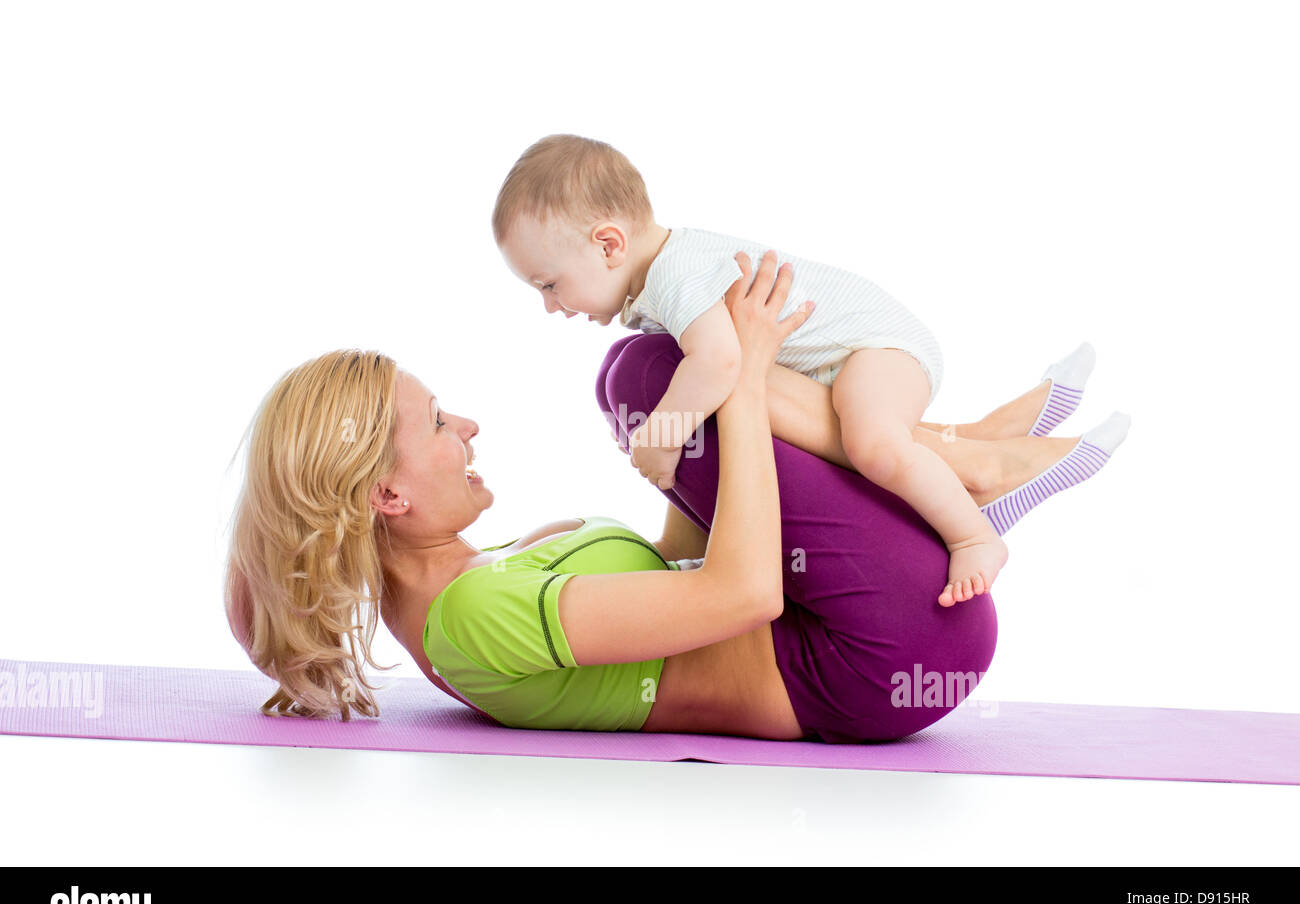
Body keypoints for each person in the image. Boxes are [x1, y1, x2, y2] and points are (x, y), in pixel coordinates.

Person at [224, 253, 1120, 743]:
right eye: (435, 423)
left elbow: (684, 562)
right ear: (384, 493)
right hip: (878, 660)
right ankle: (969, 459)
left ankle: (966, 452)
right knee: (648, 377)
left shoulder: (477, 581)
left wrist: (679, 462)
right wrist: (742, 374)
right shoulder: (473, 618)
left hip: (873, 634)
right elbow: (743, 593)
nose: (468, 425)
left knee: (649, 377)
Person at [493, 133, 1131, 607]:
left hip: (879, 348)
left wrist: (660, 434)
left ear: (608, 245)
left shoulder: (675, 277)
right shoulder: (660, 282)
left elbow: (720, 363)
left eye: (549, 284)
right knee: (873, 433)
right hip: (852, 360)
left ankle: (975, 532)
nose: (550, 305)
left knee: (876, 444)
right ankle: (998, 436)